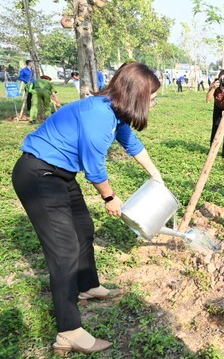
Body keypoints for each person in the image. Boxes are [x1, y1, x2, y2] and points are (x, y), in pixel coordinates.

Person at [12, 62, 163, 355]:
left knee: (84, 228)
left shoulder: (115, 113)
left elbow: (132, 142)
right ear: (136, 95)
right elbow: (95, 168)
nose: (154, 102)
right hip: (38, 175)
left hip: (60, 174)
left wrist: (156, 176)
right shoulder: (98, 115)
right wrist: (110, 198)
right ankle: (69, 331)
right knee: (64, 251)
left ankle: (87, 285)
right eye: (152, 97)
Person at [207, 69, 224, 159]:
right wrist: (214, 88)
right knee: (215, 127)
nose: (223, 81)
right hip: (218, 107)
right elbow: (208, 99)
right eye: (221, 79)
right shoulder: (215, 85)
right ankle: (212, 150)